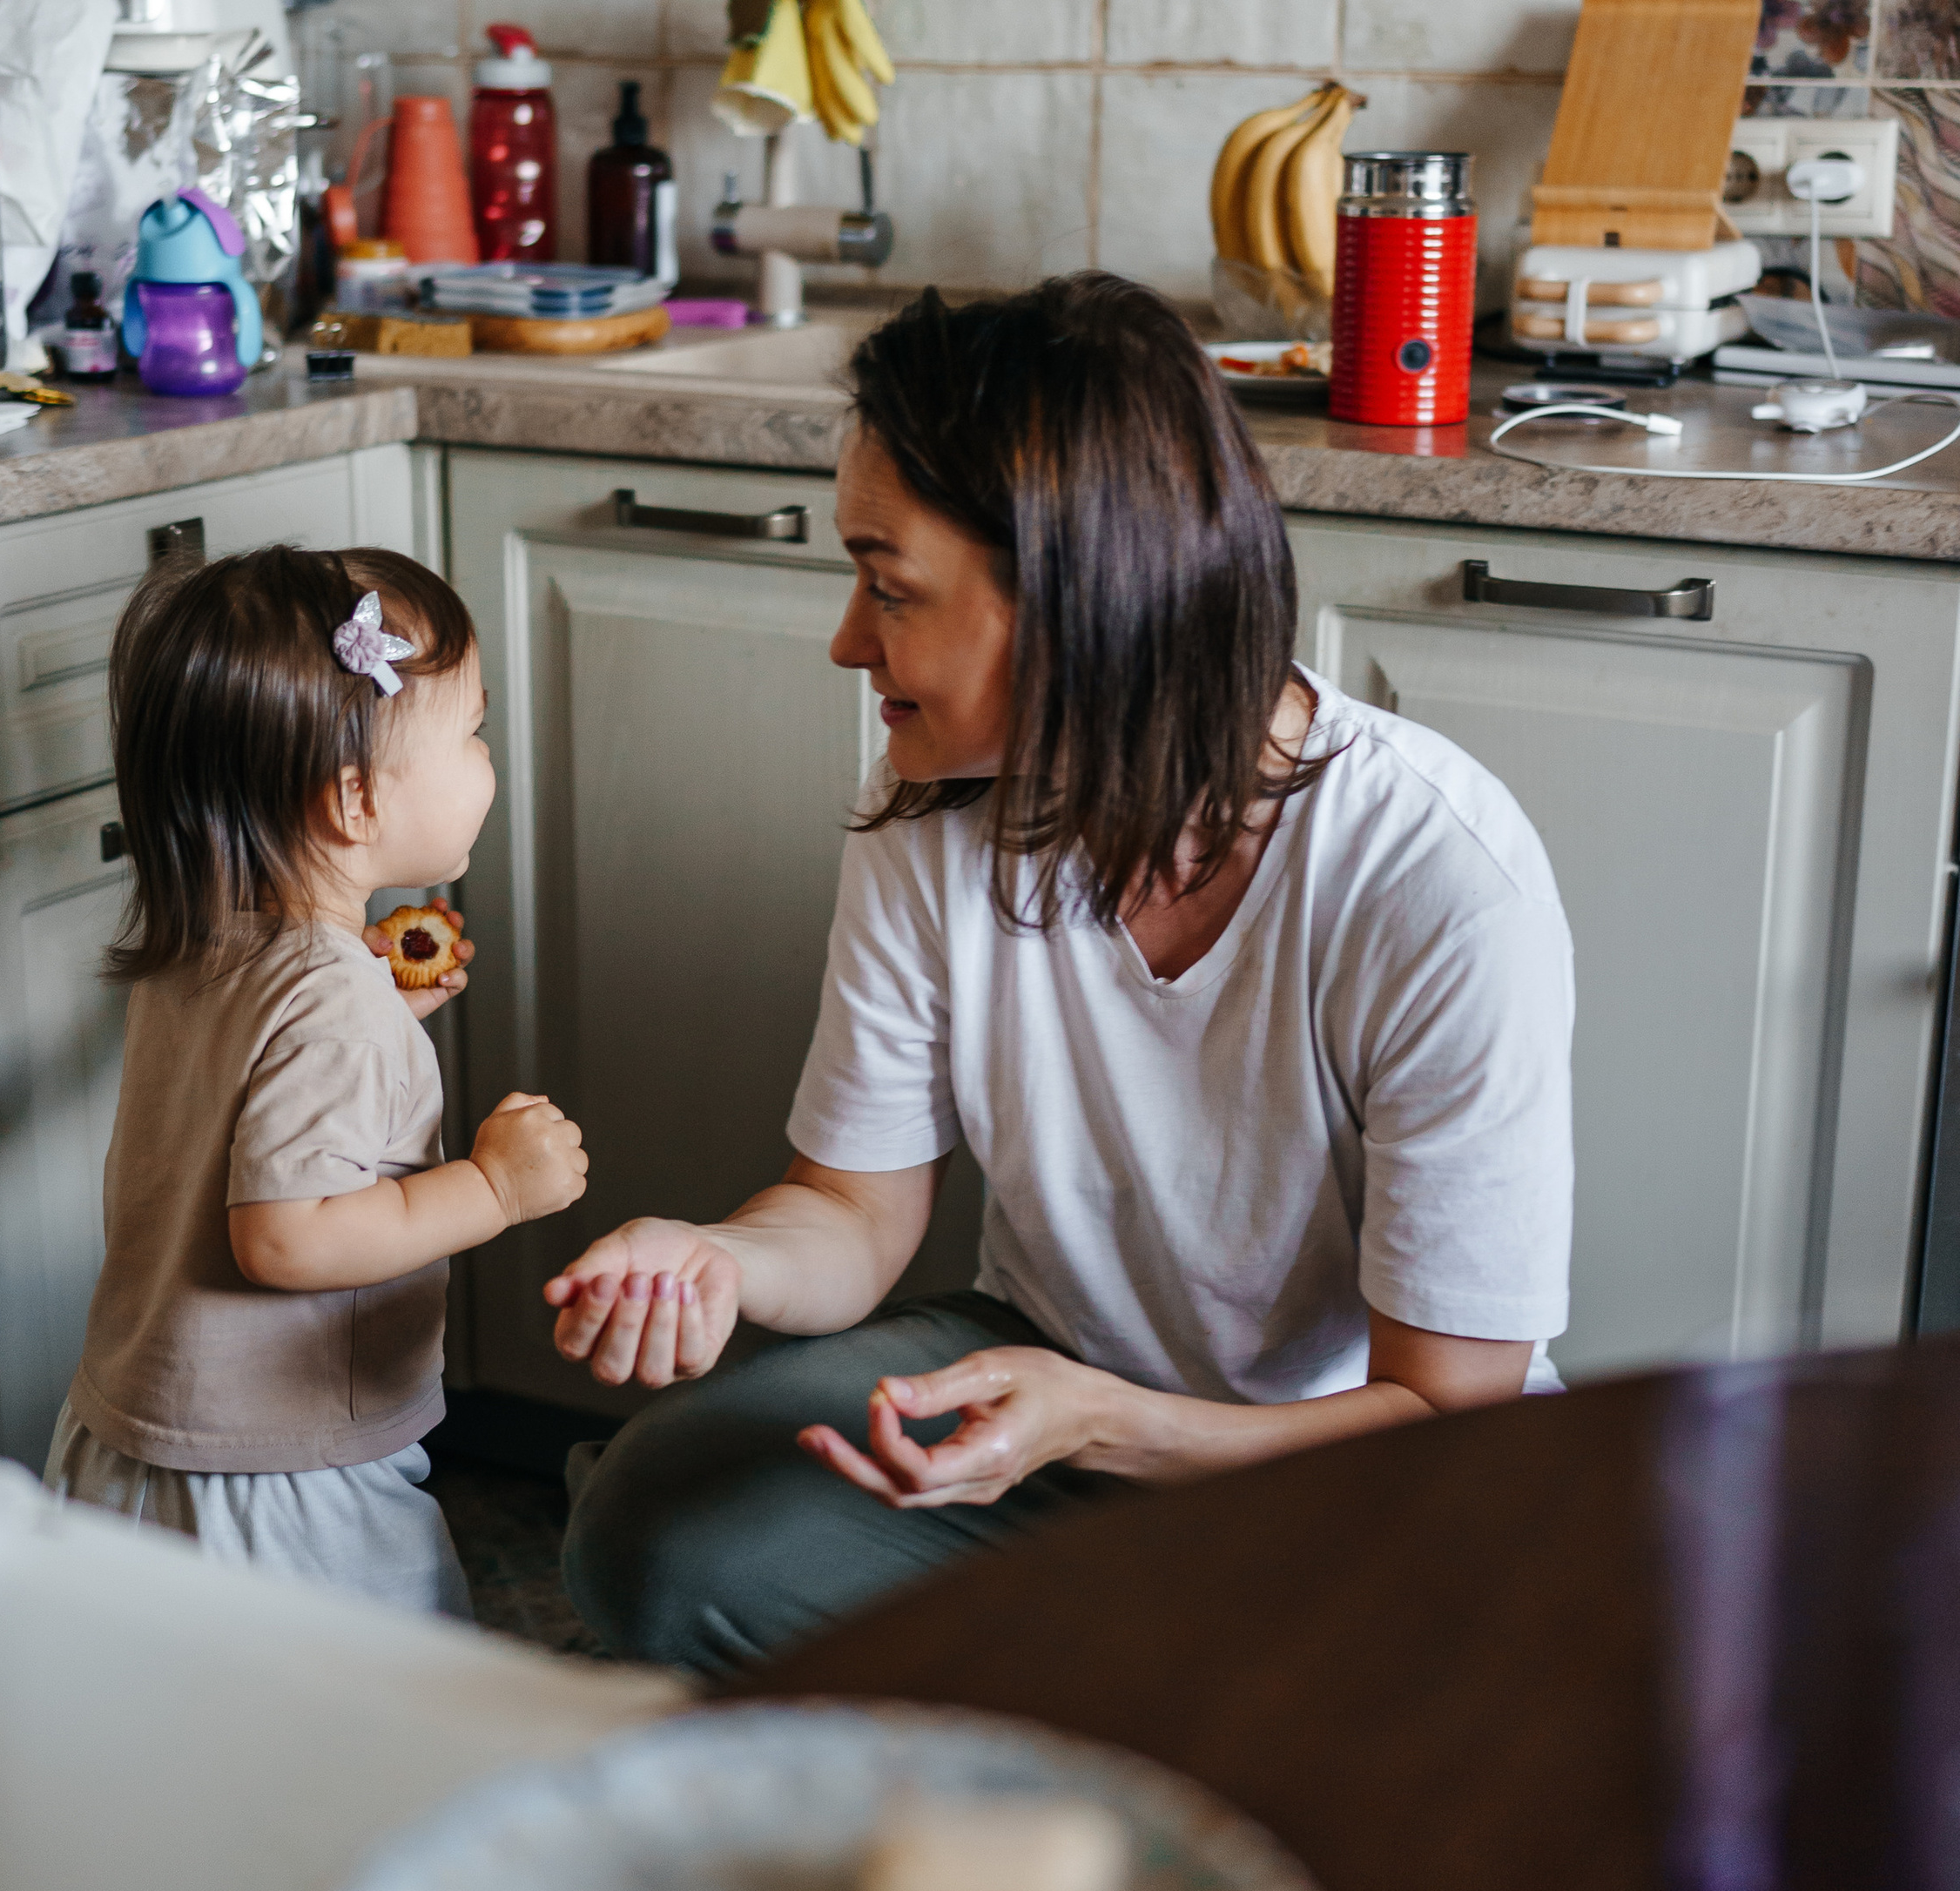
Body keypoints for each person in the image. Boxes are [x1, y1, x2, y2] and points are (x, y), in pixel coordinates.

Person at [549, 274, 1574, 1675]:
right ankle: (1139, 1676)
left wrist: (1106, 1421)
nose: (849, 642)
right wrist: (714, 1262)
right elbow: (852, 1212)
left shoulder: (1440, 883)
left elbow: (1446, 1412)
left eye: (889, 588)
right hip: (1028, 1400)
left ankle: (1124, 1675)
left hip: (1339, 1474)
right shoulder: (934, 806)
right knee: (648, 1532)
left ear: (1084, 603)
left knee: (1465, 1659)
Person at [44, 542, 585, 1614]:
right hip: (272, 1479)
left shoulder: (211, 938)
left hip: (129, 1436)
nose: (488, 757)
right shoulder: (328, 1000)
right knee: (381, 1726)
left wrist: (377, 1014)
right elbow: (286, 1234)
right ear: (352, 799)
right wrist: (494, 1189)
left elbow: (248, 1101)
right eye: (472, 733)